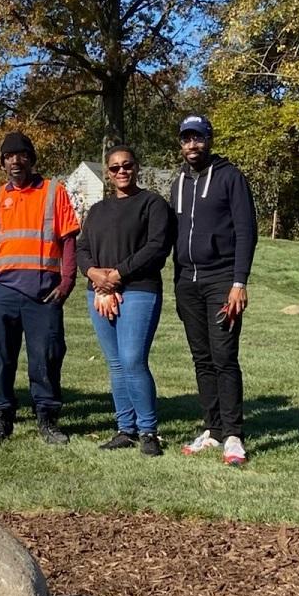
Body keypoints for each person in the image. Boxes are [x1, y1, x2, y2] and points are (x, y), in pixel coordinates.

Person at [0, 131, 81, 445]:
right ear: (3, 164)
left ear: (32, 160)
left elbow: (69, 240)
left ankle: (48, 420)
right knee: (1, 357)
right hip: (4, 293)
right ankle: (1, 421)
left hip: (43, 294)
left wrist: (66, 282)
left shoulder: (53, 192)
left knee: (46, 357)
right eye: (8, 157)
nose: (15, 161)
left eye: (21, 155)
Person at [170, 115, 258, 465]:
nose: (192, 145)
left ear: (209, 140)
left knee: (224, 357)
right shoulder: (177, 182)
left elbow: (246, 231)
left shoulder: (230, 177)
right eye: (186, 139)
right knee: (202, 358)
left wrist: (239, 282)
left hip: (221, 279)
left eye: (198, 138)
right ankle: (213, 428)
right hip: (186, 281)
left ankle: (233, 434)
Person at [76, 146, 174, 456]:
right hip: (99, 292)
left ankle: (148, 431)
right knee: (116, 364)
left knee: (133, 360)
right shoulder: (98, 210)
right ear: (107, 172)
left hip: (138, 291)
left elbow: (156, 248)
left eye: (127, 165)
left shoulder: (153, 204)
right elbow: (82, 250)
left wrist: (116, 276)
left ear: (137, 167)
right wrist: (96, 277)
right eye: (115, 167)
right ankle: (125, 429)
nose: (121, 171)